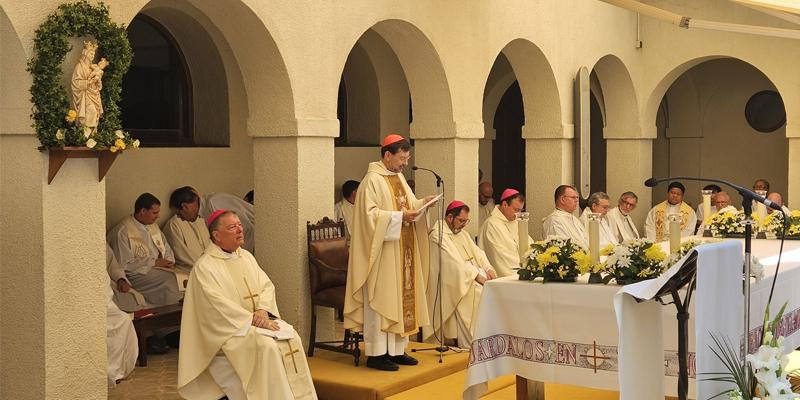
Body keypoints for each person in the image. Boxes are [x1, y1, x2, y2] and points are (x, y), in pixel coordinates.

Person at [178, 210, 317, 400]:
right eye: (232, 227)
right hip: (228, 331)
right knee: (267, 346)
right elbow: (216, 307)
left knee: (292, 337)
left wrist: (261, 310)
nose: (239, 230)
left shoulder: (245, 257)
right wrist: (253, 319)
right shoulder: (205, 267)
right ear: (216, 236)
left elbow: (266, 285)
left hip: (254, 322)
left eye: (240, 225)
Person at [343, 134, 436, 371]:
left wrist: (424, 202)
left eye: (407, 158)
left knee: (400, 299)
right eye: (402, 158)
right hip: (381, 255)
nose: (405, 163)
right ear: (387, 155)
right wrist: (398, 217)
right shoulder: (371, 181)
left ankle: (396, 350)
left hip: (401, 251)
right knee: (382, 299)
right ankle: (376, 354)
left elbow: (410, 206)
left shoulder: (399, 178)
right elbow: (368, 217)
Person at [425, 201, 496, 347]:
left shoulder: (462, 234)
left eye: (466, 221)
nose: (464, 224)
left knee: (486, 289)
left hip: (467, 275)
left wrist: (488, 269)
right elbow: (454, 263)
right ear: (450, 217)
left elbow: (478, 252)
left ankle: (486, 338)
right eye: (461, 221)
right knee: (478, 291)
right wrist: (477, 276)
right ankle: (472, 343)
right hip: (450, 281)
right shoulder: (438, 235)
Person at [107, 193, 182, 307]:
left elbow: (166, 248)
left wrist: (168, 261)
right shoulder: (123, 231)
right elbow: (124, 265)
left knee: (183, 277)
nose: (158, 216)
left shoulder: (153, 227)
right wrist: (154, 263)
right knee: (171, 281)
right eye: (154, 213)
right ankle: (167, 315)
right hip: (136, 275)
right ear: (142, 211)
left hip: (158, 269)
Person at [477, 188, 533, 277]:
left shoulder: (516, 222)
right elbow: (501, 256)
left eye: (520, 210)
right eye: (516, 210)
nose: (518, 214)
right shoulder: (492, 224)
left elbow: (529, 244)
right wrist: (522, 271)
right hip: (504, 277)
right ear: (505, 204)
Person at [106, 245, 138, 387]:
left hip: (106, 299)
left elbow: (113, 265)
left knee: (124, 319)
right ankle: (109, 372)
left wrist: (121, 278)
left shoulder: (101, 243)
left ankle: (116, 370)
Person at [163, 186, 210, 274]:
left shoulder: (201, 219)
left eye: (178, 214)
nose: (180, 217)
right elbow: (183, 256)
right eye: (177, 214)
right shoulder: (174, 224)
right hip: (193, 270)